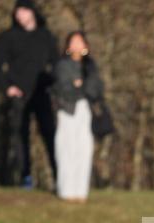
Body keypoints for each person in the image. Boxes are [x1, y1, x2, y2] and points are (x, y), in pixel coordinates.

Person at [0, 0, 58, 189]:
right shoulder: (8, 37)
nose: (19, 15)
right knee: (20, 137)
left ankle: (59, 175)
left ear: (32, 12)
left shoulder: (46, 36)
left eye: (23, 11)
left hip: (42, 93)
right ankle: (25, 177)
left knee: (50, 135)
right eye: (17, 12)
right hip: (19, 95)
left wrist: (53, 84)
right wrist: (7, 88)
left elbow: (57, 63)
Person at [51, 31, 103, 202]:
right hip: (67, 110)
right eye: (73, 42)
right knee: (67, 149)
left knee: (83, 149)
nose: (76, 46)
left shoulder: (91, 66)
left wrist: (80, 84)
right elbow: (64, 88)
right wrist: (79, 85)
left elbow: (95, 88)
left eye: (80, 42)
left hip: (85, 110)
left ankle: (81, 191)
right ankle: (66, 190)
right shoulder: (62, 65)